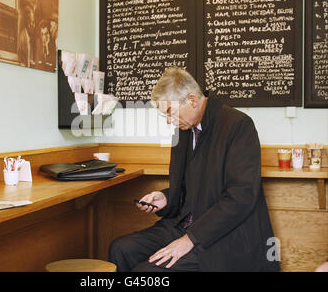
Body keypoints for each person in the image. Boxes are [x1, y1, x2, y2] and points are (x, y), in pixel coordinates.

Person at [109, 67, 280, 272]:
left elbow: (241, 197)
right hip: (183, 225)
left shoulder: (238, 125)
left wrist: (190, 239)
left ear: (191, 100)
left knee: (147, 272)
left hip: (220, 234)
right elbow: (187, 189)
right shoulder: (182, 132)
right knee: (121, 249)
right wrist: (166, 198)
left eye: (170, 112)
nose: (168, 120)